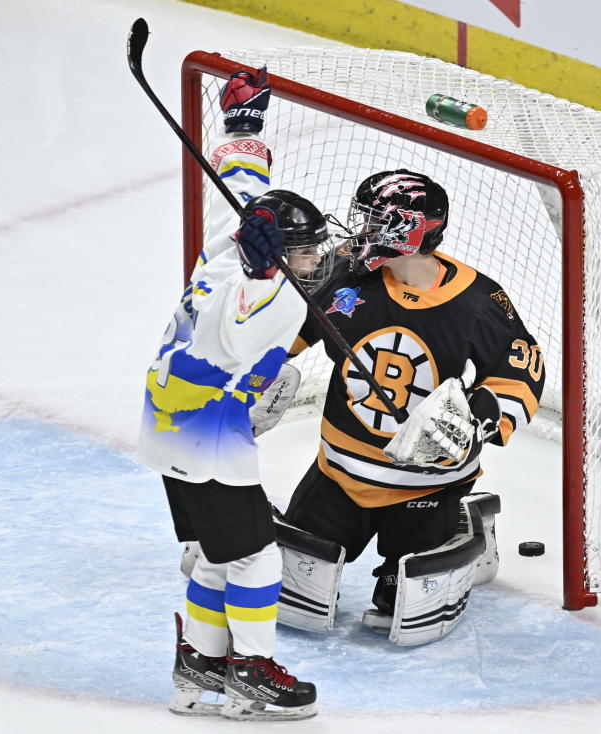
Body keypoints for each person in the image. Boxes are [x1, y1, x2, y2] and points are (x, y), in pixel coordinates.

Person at [137, 68, 333, 720]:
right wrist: (257, 281)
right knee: (253, 557)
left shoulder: (227, 246)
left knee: (221, 557)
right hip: (207, 435)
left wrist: (243, 124)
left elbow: (242, 185)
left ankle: (200, 661)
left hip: (167, 423)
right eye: (306, 253)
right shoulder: (269, 298)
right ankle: (250, 670)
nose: (314, 261)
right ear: (280, 256)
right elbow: (228, 337)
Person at [279, 169, 545, 645]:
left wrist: (482, 418)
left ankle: (467, 523)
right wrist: (250, 375)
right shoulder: (345, 270)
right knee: (293, 593)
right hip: (338, 473)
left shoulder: (477, 301)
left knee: (403, 603)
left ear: (409, 228)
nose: (361, 231)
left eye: (376, 220)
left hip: (424, 484)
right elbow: (286, 332)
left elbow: (521, 373)